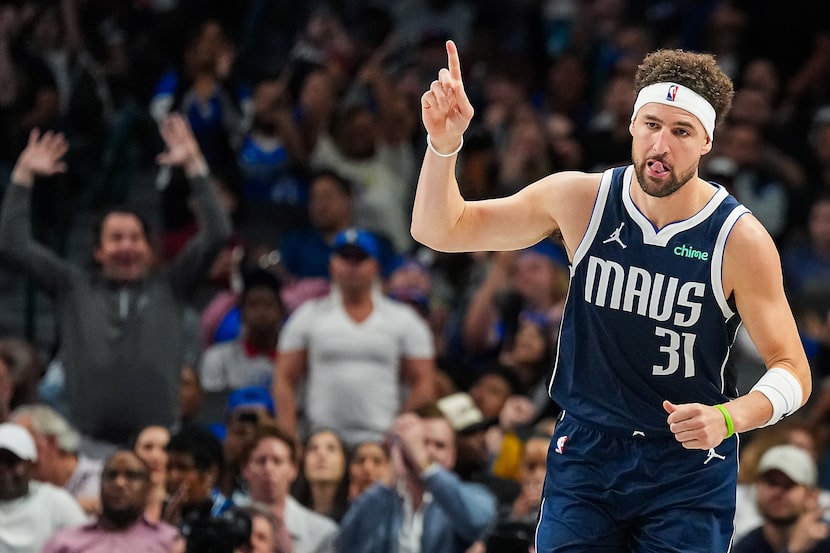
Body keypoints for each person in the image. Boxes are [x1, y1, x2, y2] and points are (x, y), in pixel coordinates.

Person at [410, 41, 812, 552]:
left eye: (681, 131)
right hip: (588, 451)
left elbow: (794, 372)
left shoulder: (739, 239)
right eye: (651, 125)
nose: (660, 144)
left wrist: (730, 416)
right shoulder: (581, 199)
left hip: (686, 466)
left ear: (707, 141)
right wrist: (443, 146)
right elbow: (440, 229)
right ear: (631, 125)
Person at [0, 113, 232, 449]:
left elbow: (217, 233)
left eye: (135, 238)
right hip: (87, 443)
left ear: (148, 248)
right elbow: (12, 244)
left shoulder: (171, 284)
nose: (127, 246)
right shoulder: (72, 286)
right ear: (98, 250)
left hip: (158, 443)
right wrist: (22, 177)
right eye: (117, 238)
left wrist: (195, 165)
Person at [274, 227, 437, 447]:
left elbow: (424, 383)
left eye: (359, 258)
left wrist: (397, 435)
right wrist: (290, 437)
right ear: (332, 264)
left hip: (380, 441)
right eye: (344, 257)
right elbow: (283, 377)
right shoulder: (307, 316)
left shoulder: (403, 320)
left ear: (375, 266)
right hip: (321, 441)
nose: (351, 266)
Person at [335, 405, 497, 553]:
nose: (428, 452)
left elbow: (478, 523)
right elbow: (348, 544)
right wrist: (390, 472)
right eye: (422, 442)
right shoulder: (382, 499)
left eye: (439, 445)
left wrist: (423, 464)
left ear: (452, 456)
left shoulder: (472, 496)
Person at [41, 449, 184, 553]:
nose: (119, 483)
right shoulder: (65, 542)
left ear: (147, 487)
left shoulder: (169, 541)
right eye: (111, 475)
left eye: (131, 476)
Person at [240, 422, 338, 553]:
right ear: (245, 469)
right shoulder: (224, 526)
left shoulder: (323, 532)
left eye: (277, 461)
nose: (269, 469)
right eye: (261, 461)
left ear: (293, 469)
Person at [0, 422, 87, 553]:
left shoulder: (55, 503)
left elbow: (88, 544)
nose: (3, 470)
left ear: (33, 465)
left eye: (12, 462)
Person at [732, 444, 830, 553]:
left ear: (812, 496)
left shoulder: (826, 541)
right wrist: (793, 550)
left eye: (789, 484)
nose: (777, 492)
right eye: (771, 482)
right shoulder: (747, 547)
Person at [10, 404, 103, 514]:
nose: (17, 459)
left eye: (25, 443)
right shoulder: (22, 490)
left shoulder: (102, 480)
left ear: (51, 441)